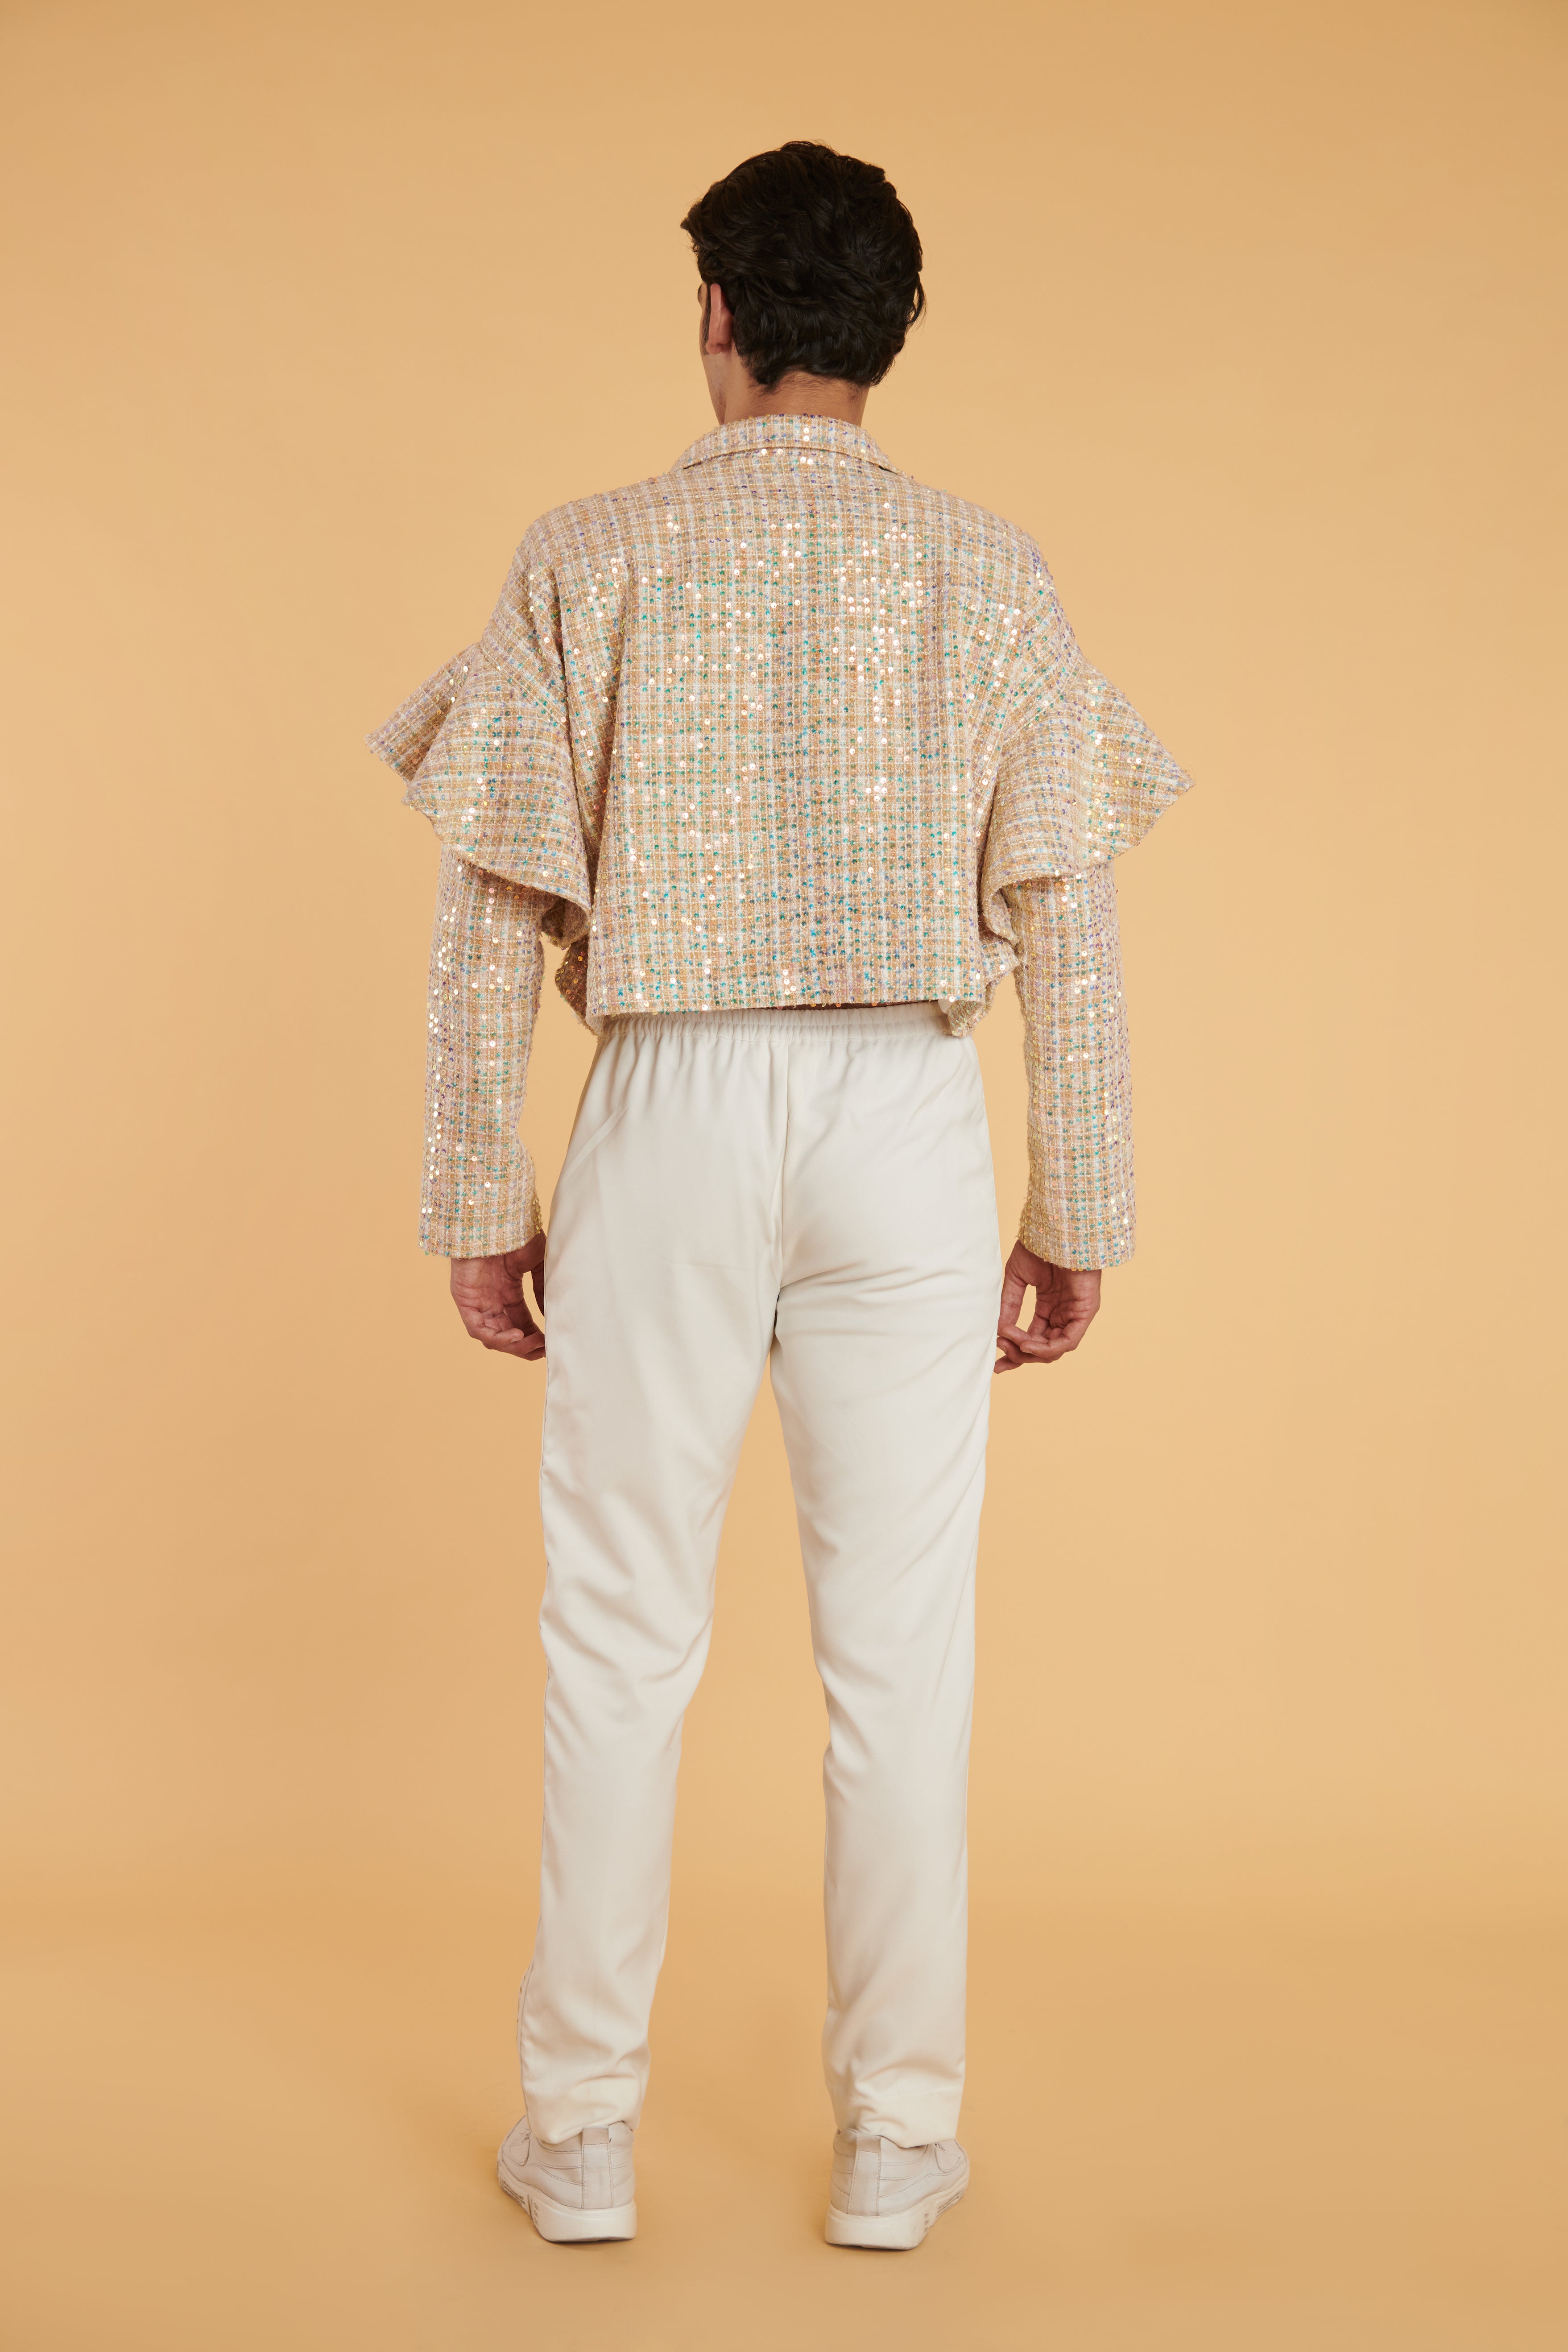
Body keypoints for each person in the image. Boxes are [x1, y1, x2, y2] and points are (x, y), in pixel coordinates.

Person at [368, 139, 1192, 2252]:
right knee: (903, 1654)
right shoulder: (991, 572)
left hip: (669, 1094)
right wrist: (1077, 1202)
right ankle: (900, 2139)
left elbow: (489, 908)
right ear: (887, 334)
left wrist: (479, 1183)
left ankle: (578, 2129)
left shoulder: (589, 553)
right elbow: (1069, 913)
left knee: (618, 1631)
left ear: (719, 316)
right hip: (906, 1107)